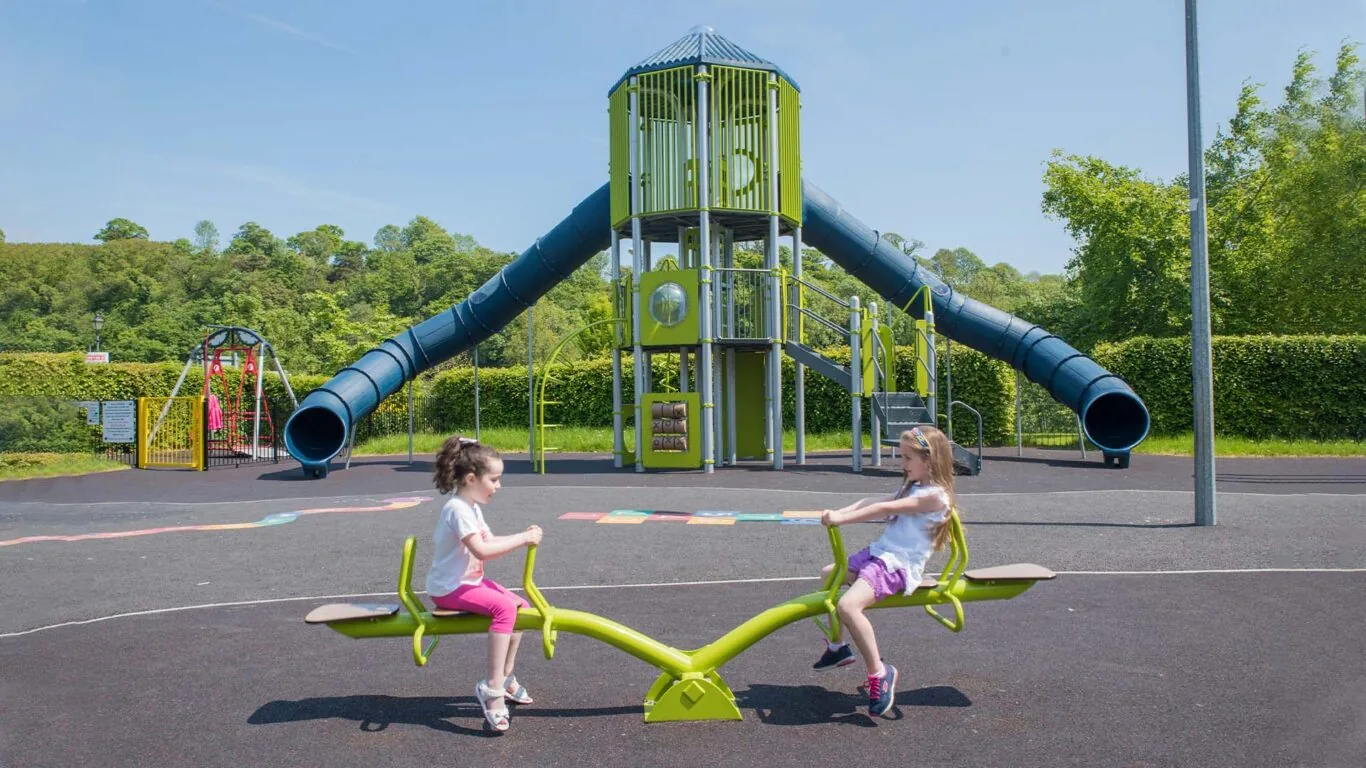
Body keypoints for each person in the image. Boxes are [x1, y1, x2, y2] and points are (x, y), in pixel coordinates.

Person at [813, 426, 957, 717]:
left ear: (929, 460)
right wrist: (840, 511)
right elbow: (873, 502)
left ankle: (879, 672)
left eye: (907, 458)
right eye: (902, 457)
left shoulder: (935, 496)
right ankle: (839, 647)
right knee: (829, 574)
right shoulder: (912, 487)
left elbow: (881, 509)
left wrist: (842, 519)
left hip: (897, 565)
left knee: (848, 606)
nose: (902, 464)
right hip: (879, 554)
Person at [425, 435, 543, 733]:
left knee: (521, 607)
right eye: (494, 479)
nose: (498, 486)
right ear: (471, 478)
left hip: (468, 582)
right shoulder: (457, 510)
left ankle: (505, 676)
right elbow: (482, 551)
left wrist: (522, 535)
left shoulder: (471, 507)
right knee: (505, 609)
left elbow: (490, 541)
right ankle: (492, 690)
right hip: (450, 588)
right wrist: (524, 538)